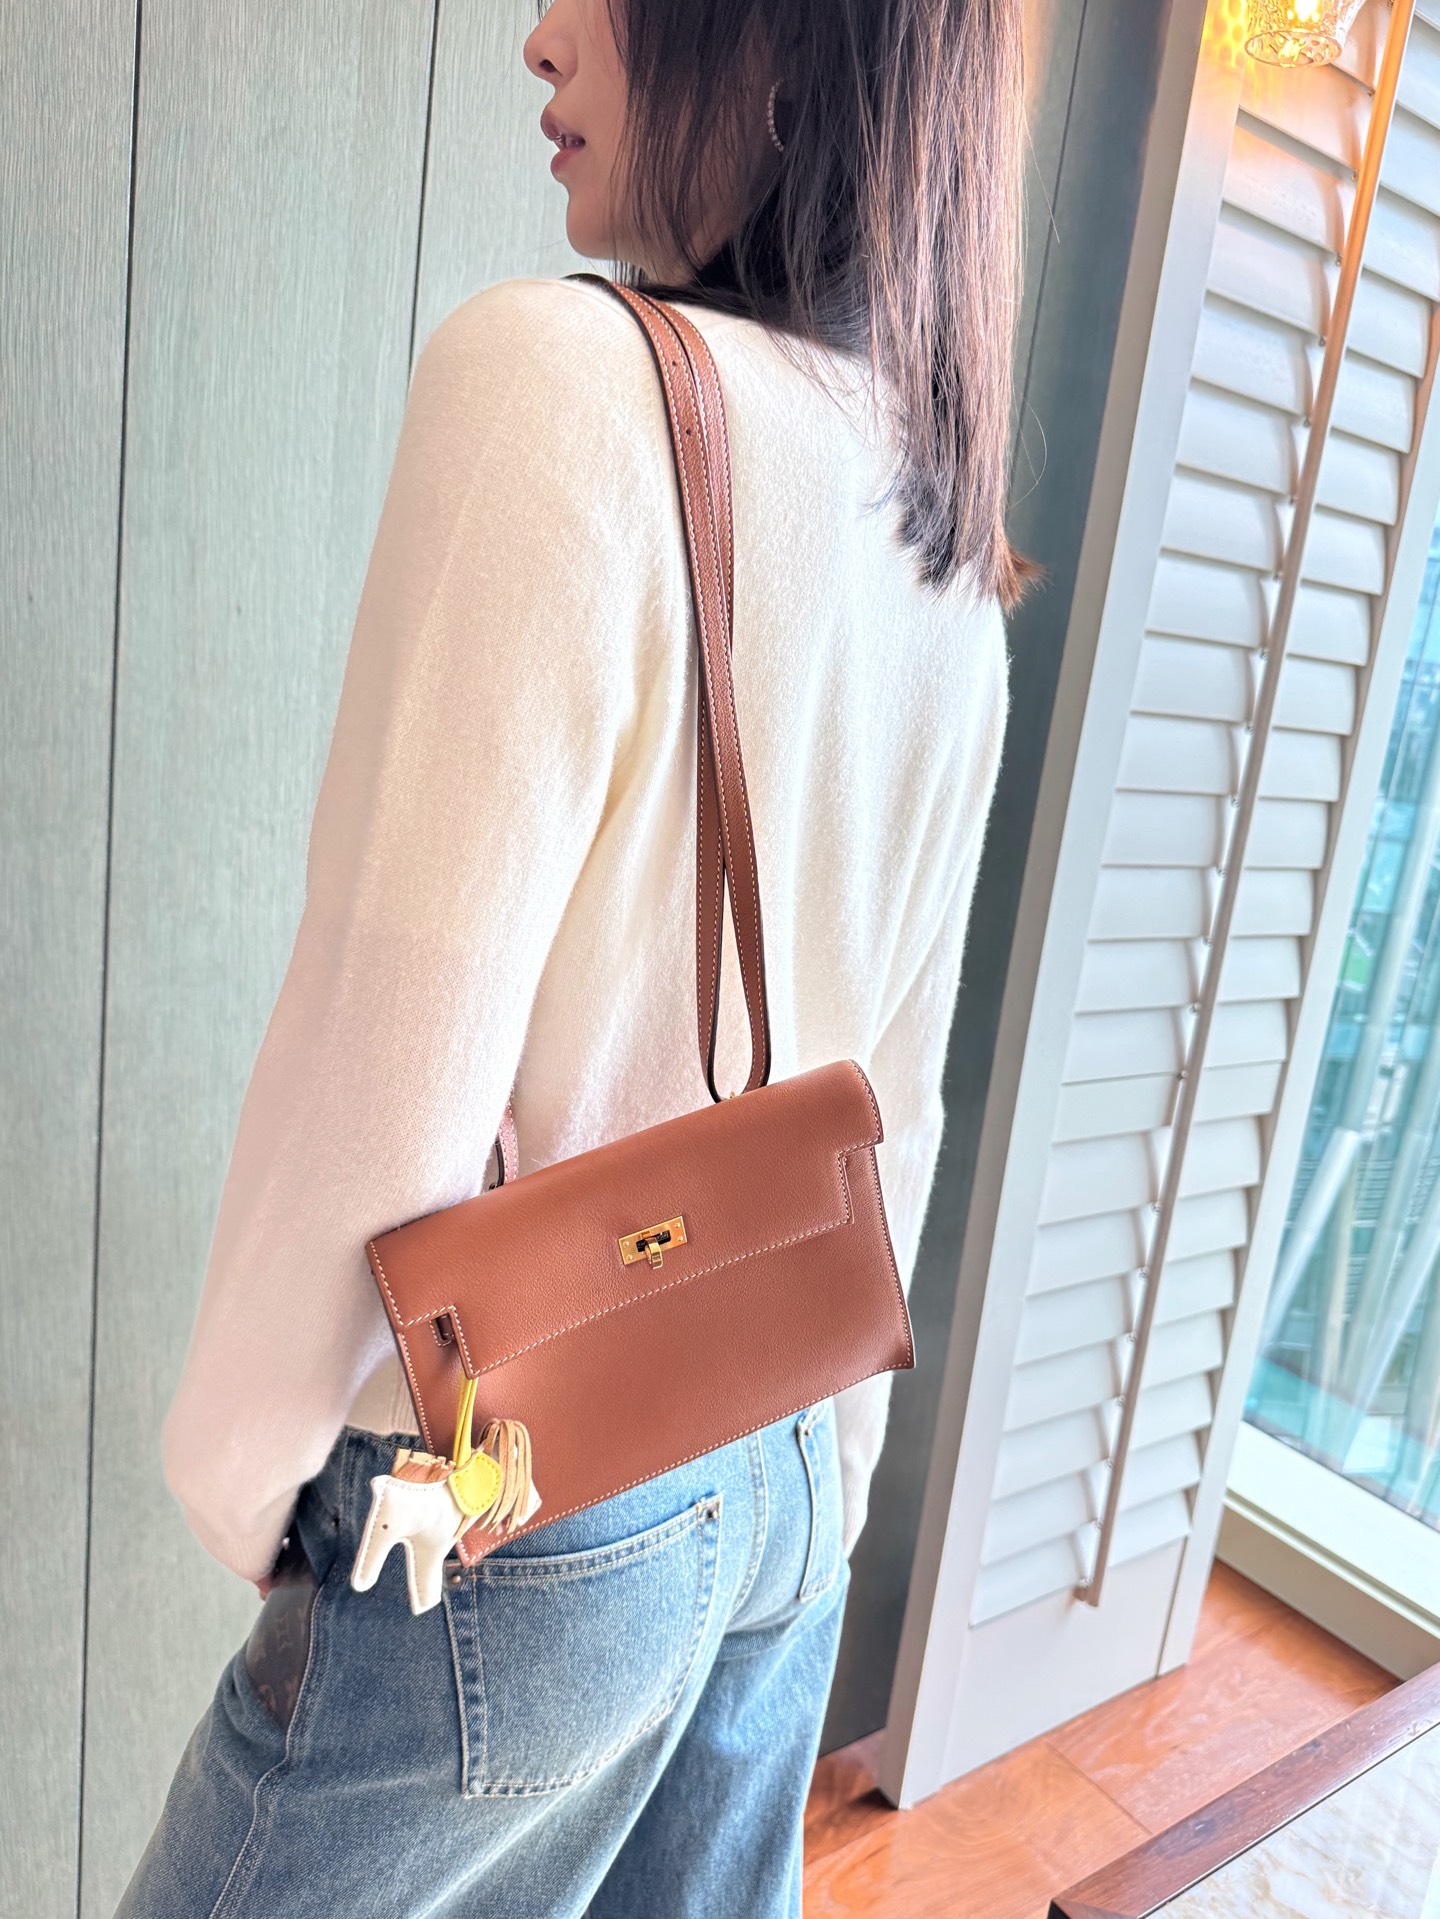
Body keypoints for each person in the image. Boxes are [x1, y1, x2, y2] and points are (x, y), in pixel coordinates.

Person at [118, 0, 1034, 1912]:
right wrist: (833, 1477)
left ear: (780, 40)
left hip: (529, 1484)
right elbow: (900, 1096)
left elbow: (393, 1024)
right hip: (789, 1451)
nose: (540, 37)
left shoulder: (558, 377)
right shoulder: (945, 530)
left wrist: (252, 1470)